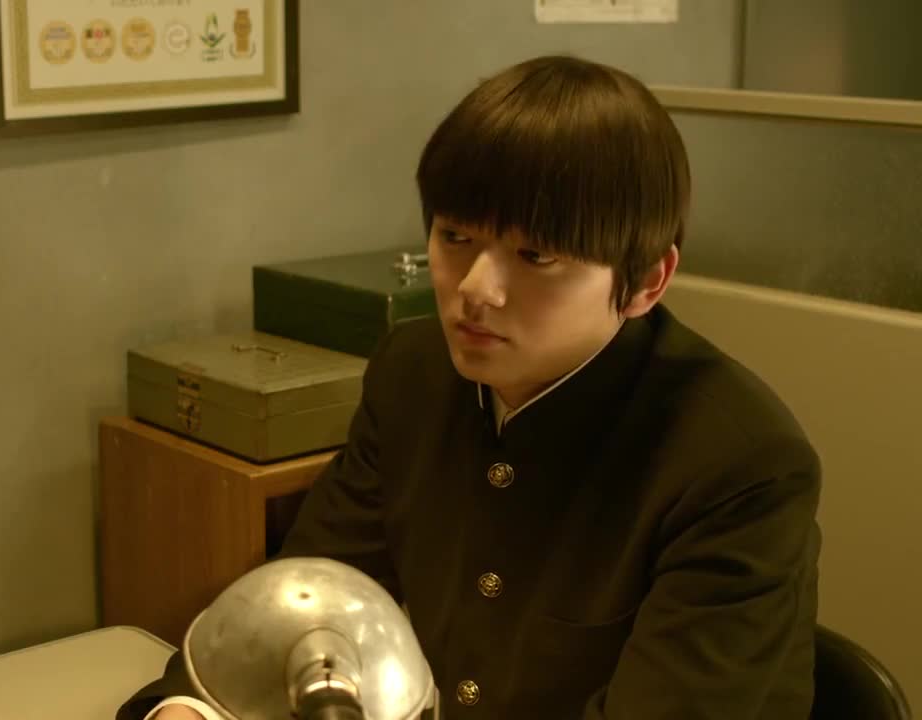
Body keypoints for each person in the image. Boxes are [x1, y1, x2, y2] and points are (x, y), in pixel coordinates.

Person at [118, 54, 821, 720]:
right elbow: (307, 598)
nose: (476, 290)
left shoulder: (737, 464)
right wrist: (190, 704)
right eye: (455, 237)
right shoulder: (415, 373)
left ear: (646, 282)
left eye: (535, 254)